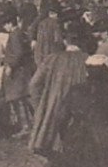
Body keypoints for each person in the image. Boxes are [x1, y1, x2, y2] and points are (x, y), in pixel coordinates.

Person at [28, 21, 88, 158]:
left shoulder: (52, 59)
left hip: (54, 112)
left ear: (65, 41)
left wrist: (41, 109)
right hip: (79, 114)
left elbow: (34, 85)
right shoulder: (87, 60)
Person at [2, 14, 36, 136]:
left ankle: (26, 127)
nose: (5, 27)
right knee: (23, 97)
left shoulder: (14, 34)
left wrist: (11, 65)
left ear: (9, 24)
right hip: (23, 69)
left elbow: (18, 52)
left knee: (18, 98)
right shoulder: (21, 33)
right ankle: (31, 124)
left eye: (5, 25)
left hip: (17, 71)